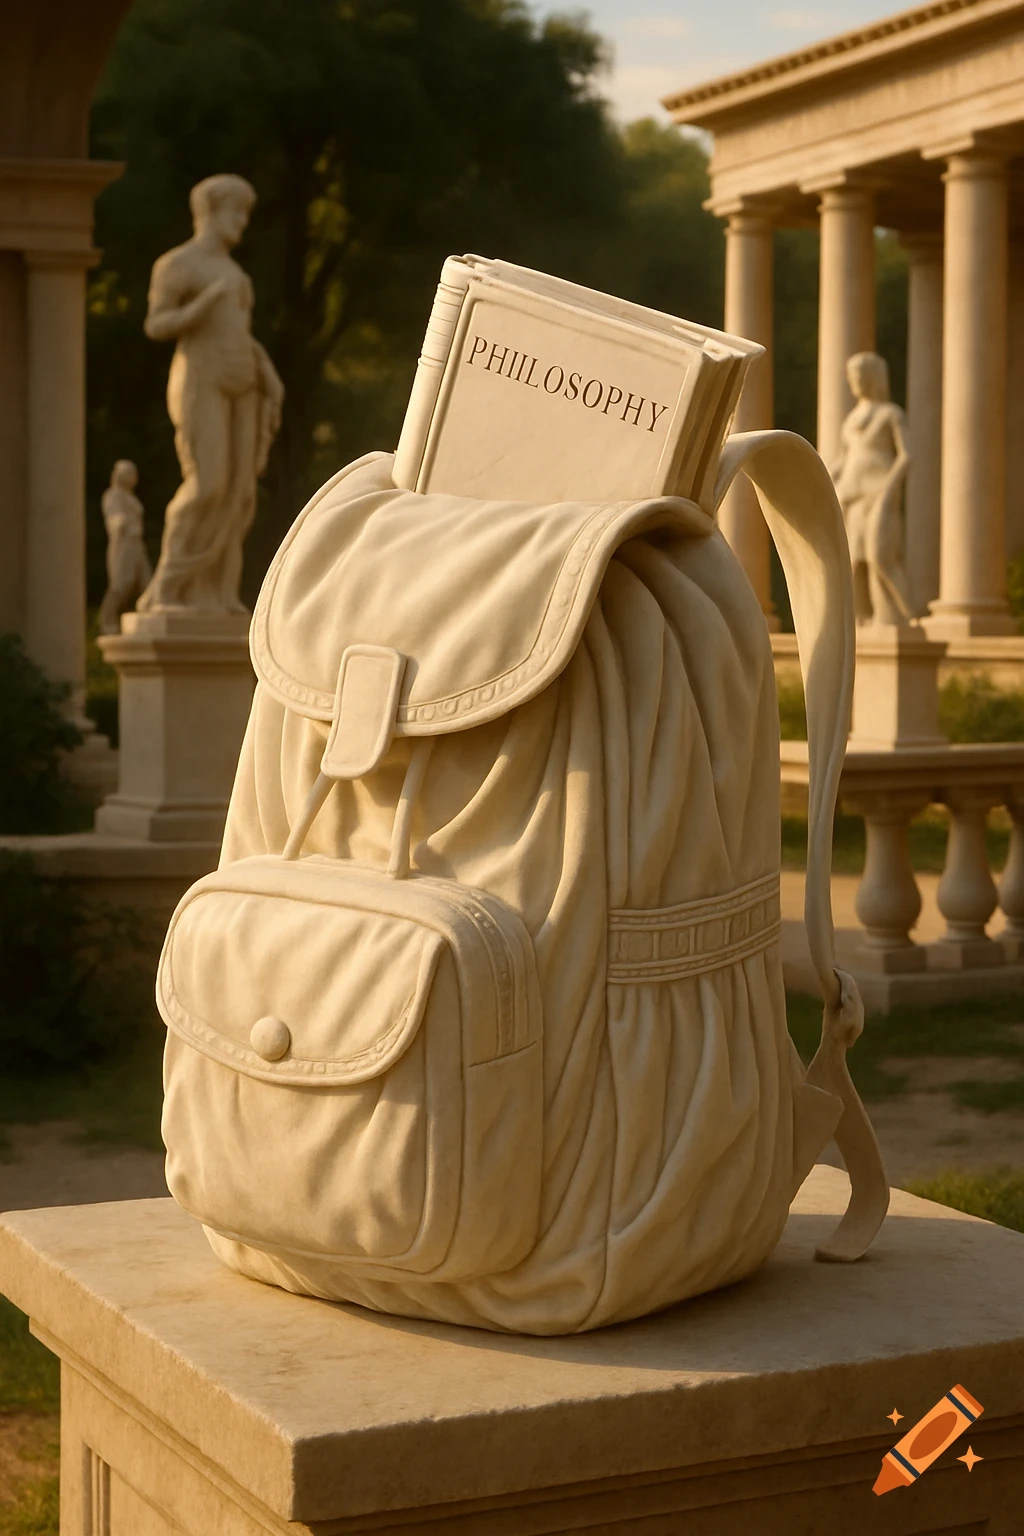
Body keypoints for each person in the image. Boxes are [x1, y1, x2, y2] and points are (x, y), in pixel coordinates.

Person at [138, 174, 284, 614]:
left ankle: (215, 593)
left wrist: (267, 370)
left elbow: (240, 334)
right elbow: (156, 325)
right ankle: (166, 588)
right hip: (200, 376)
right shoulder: (178, 264)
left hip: (244, 384)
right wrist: (204, 302)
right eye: (235, 211)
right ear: (210, 211)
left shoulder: (236, 275)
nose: (241, 222)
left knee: (240, 491)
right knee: (207, 483)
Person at [831, 351, 914, 626]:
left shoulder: (891, 413)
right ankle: (862, 620)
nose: (855, 382)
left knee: (881, 557)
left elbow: (906, 455)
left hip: (879, 494)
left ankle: (905, 617)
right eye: (852, 377)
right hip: (850, 496)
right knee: (854, 563)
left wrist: (890, 491)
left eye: (859, 376)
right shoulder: (852, 419)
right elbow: (843, 459)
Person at [99, 459, 152, 633]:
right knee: (122, 583)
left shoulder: (130, 497)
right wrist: (120, 522)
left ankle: (149, 621)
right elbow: (114, 518)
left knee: (147, 582)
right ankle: (107, 619)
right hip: (123, 543)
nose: (132, 477)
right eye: (128, 473)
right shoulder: (112, 495)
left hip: (136, 543)